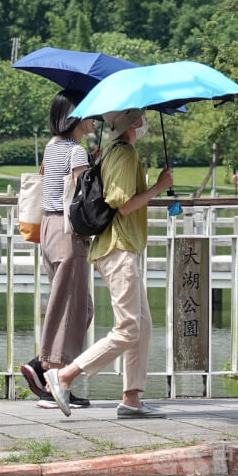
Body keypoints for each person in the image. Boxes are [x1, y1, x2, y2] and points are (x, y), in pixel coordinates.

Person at [44, 108, 173, 419]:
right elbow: (124, 206)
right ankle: (64, 377)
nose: (145, 123)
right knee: (129, 327)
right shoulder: (125, 154)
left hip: (115, 246)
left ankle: (132, 398)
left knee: (142, 324)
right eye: (142, 118)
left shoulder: (113, 152)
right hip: (118, 248)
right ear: (133, 123)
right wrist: (158, 186)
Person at [20, 89, 95, 410]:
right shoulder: (76, 151)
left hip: (48, 228)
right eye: (91, 110)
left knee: (77, 306)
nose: (96, 116)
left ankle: (46, 365)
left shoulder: (53, 147)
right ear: (76, 116)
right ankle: (51, 378)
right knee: (73, 307)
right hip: (67, 232)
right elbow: (83, 196)